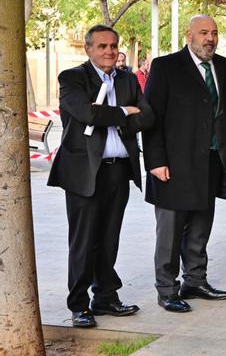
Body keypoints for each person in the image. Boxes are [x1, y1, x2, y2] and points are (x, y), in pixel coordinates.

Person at [48, 25, 154, 328]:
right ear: (89, 49)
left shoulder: (128, 79)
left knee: (109, 238)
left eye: (113, 46)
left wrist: (118, 114)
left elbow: (147, 116)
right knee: (84, 240)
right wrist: (124, 112)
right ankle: (79, 305)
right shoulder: (72, 78)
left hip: (119, 170)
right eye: (102, 46)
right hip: (84, 172)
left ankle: (106, 297)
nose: (109, 51)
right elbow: (87, 114)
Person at [143, 15, 226, 313]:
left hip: (212, 162)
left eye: (214, 33)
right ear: (190, 35)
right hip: (173, 166)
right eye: (203, 33)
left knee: (201, 226)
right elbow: (152, 119)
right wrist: (155, 161)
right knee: (170, 231)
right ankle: (166, 289)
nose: (209, 38)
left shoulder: (224, 66)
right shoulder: (166, 67)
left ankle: (195, 281)